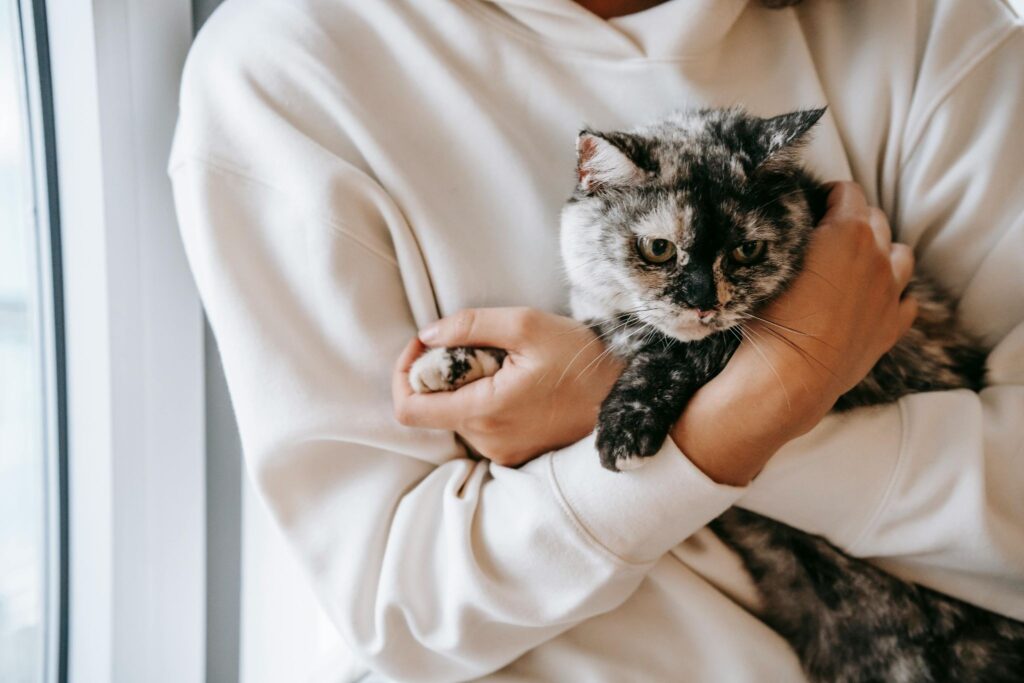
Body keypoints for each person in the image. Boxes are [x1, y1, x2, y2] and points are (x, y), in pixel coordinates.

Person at [169, 0, 1024, 680]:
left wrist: (649, 411)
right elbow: (404, 610)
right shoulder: (286, 69)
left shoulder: (926, 24)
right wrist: (758, 401)